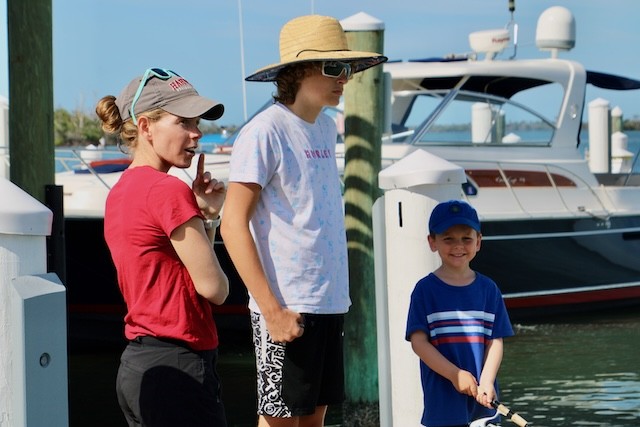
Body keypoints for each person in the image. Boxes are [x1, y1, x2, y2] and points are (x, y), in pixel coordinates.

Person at [220, 14, 387, 427]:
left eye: (347, 68)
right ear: (297, 72)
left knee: (314, 420)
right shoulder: (264, 131)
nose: (343, 78)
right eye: (332, 67)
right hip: (286, 302)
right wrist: (271, 310)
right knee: (279, 420)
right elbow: (232, 223)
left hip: (328, 301)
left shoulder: (325, 128)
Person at [96, 68, 230, 427]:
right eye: (183, 122)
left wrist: (205, 217)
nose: (196, 132)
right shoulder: (167, 190)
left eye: (197, 122)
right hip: (179, 367)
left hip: (138, 365)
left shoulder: (120, 192)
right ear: (145, 127)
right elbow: (215, 289)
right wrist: (206, 218)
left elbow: (177, 273)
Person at [405, 200, 514, 427]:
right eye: (448, 239)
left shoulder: (489, 289)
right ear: (432, 242)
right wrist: (455, 375)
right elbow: (419, 343)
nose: (458, 246)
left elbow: (495, 341)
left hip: (483, 403)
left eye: (466, 238)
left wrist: (487, 381)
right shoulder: (424, 290)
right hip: (442, 404)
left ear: (478, 242)